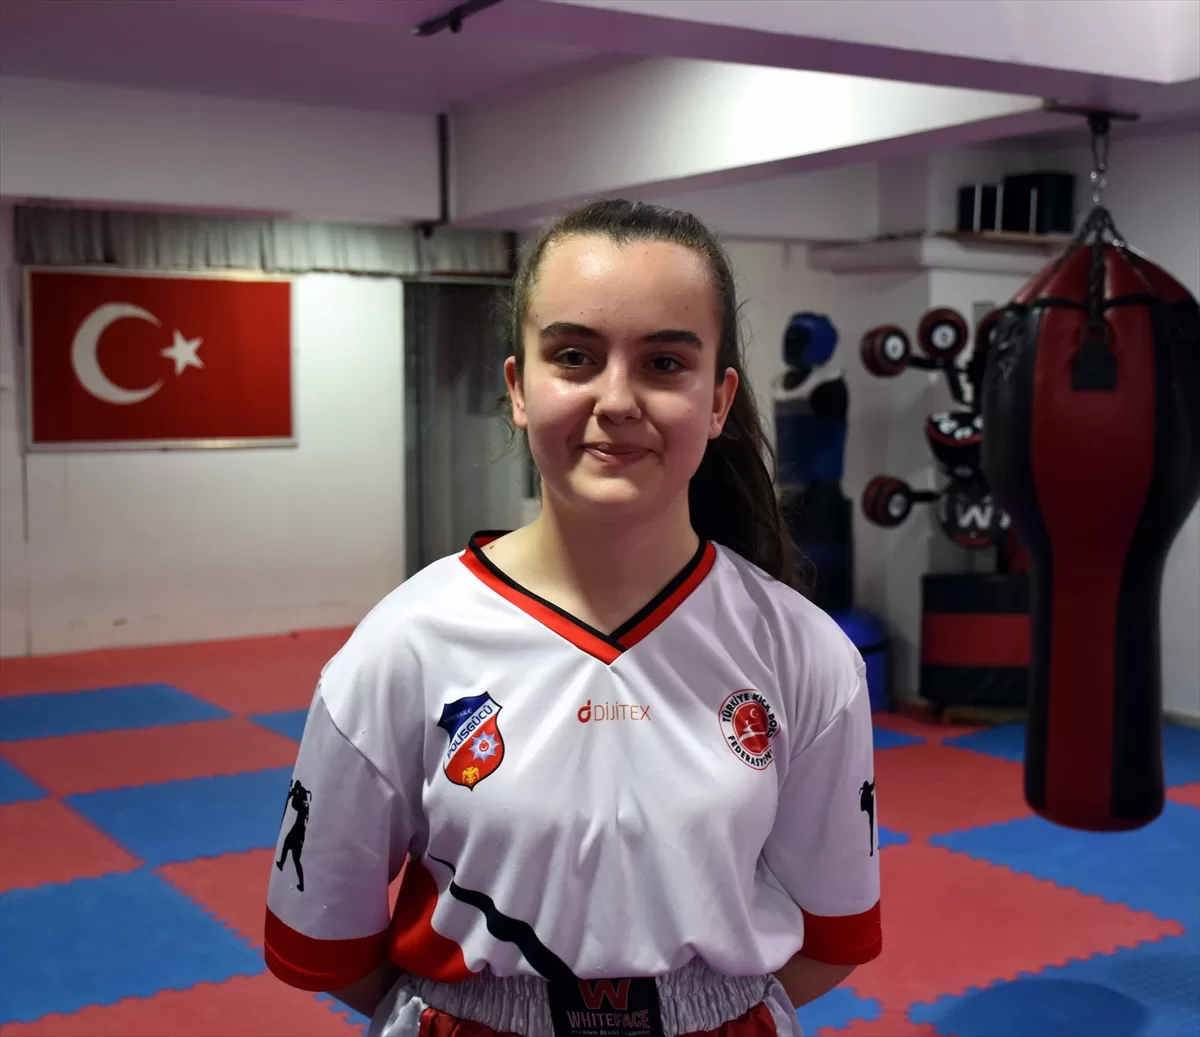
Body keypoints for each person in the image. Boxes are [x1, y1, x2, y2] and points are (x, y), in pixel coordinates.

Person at [264, 199, 882, 1037]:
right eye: (574, 356)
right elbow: (327, 941)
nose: (616, 398)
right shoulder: (403, 645)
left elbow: (833, 935)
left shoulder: (802, 651)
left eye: (665, 362)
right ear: (519, 388)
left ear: (718, 399)